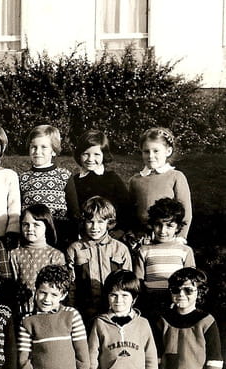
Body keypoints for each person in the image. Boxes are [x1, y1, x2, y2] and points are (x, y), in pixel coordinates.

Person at [8, 205, 66, 369]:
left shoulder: (55, 255)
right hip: (23, 317)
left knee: (43, 357)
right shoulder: (15, 254)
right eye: (25, 225)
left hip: (47, 319)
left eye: (36, 225)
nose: (30, 229)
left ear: (47, 226)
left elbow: (60, 288)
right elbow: (12, 284)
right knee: (23, 358)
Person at [66, 196, 132, 326]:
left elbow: (128, 285)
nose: (94, 227)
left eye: (100, 222)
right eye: (90, 221)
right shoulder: (74, 249)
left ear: (109, 222)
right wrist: (71, 312)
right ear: (83, 222)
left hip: (114, 313)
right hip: (84, 314)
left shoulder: (121, 249)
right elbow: (70, 285)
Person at [133, 197, 195, 320]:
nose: (162, 230)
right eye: (158, 225)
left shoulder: (185, 251)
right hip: (151, 303)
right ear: (152, 224)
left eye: (169, 226)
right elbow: (138, 281)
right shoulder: (144, 250)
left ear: (178, 227)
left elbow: (190, 282)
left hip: (175, 302)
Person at [18, 125, 79, 247]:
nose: (37, 152)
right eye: (34, 147)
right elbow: (19, 211)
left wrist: (73, 236)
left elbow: (74, 211)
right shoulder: (23, 178)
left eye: (44, 147)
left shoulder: (64, 175)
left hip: (60, 234)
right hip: (32, 236)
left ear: (53, 151)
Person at [129, 127, 192, 240]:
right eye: (146, 151)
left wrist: (180, 237)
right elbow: (131, 211)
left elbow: (186, 212)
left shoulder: (176, 177)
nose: (150, 156)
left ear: (168, 151)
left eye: (156, 151)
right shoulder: (136, 180)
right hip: (143, 238)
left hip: (168, 236)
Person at [70, 129, 131, 236]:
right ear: (79, 155)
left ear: (104, 155)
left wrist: (121, 230)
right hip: (83, 234)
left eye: (96, 154)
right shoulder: (74, 181)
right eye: (86, 154)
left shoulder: (112, 179)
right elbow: (72, 210)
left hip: (110, 234)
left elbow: (126, 207)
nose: (90, 159)